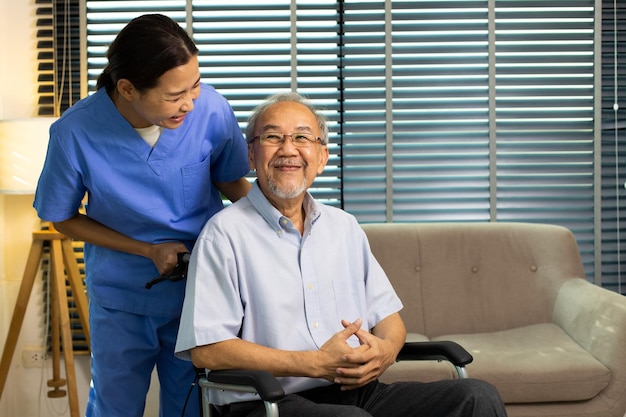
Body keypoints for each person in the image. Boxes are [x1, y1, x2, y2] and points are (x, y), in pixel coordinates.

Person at [175, 91, 508, 417]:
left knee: (476, 397)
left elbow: (390, 320)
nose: (288, 149)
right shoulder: (224, 235)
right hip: (264, 401)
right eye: (273, 137)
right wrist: (312, 362)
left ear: (322, 157)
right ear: (251, 155)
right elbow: (208, 350)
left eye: (302, 138)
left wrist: (385, 351)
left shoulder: (343, 227)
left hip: (355, 392)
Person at [33, 14, 251, 417]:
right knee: (116, 407)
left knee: (192, 405)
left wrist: (282, 217)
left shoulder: (212, 110)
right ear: (128, 88)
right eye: (174, 96)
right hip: (122, 296)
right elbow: (61, 217)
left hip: (199, 292)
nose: (189, 103)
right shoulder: (75, 132)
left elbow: (231, 181)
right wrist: (147, 250)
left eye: (195, 86)